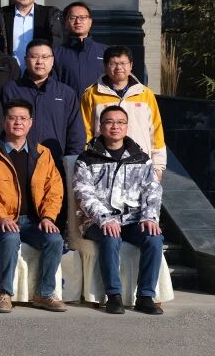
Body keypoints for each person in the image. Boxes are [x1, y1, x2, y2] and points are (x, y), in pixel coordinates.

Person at [0, 99, 67, 313]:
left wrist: (48, 217)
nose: (18, 122)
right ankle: (5, 294)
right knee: (10, 236)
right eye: (13, 118)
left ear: (31, 122)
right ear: (4, 121)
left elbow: (54, 190)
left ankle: (44, 294)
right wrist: (2, 216)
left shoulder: (43, 154)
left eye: (23, 118)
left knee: (55, 240)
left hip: (33, 221)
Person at [73, 106, 165, 315]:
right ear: (101, 126)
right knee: (111, 236)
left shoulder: (140, 158)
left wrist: (150, 217)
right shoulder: (87, 158)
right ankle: (113, 295)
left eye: (120, 122)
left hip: (133, 220)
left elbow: (152, 190)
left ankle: (145, 296)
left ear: (126, 127)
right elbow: (83, 193)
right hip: (97, 221)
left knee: (154, 238)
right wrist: (105, 218)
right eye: (109, 122)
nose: (115, 126)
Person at [79, 46, 167, 180]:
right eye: (113, 63)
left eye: (123, 63)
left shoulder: (145, 94)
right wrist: (88, 160)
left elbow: (156, 131)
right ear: (105, 66)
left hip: (140, 163)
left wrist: (158, 165)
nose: (118, 67)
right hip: (103, 164)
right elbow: (85, 131)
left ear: (131, 65)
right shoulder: (92, 94)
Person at [3, 40, 86, 158]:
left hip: (55, 161)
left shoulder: (66, 93)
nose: (39, 62)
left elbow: (76, 132)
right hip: (17, 159)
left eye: (45, 57)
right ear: (26, 60)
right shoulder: (11, 90)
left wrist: (72, 159)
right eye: (34, 57)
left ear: (52, 61)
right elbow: (0, 127)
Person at [0, 0, 64, 67]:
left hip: (41, 70)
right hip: (8, 71)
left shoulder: (50, 15)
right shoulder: (1, 15)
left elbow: (58, 45)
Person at [54, 1, 110, 95]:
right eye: (73, 18)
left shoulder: (105, 52)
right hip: (68, 103)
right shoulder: (56, 53)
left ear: (90, 21)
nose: (78, 21)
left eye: (83, 17)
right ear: (65, 23)